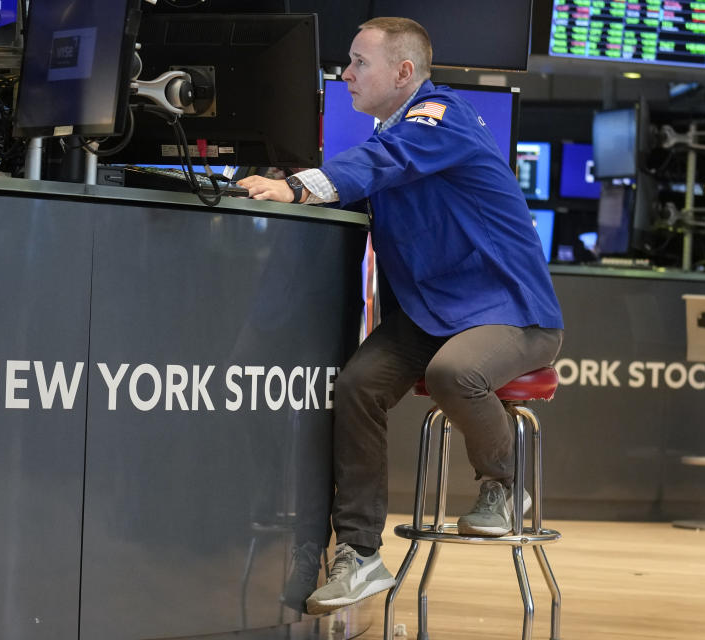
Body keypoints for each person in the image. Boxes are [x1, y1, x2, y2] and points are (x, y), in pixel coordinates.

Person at [238, 17, 563, 615]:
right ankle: (360, 555)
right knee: (359, 386)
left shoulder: (438, 120)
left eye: (360, 62)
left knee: (454, 374)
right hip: (429, 315)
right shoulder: (391, 137)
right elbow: (364, 177)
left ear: (404, 73)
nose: (346, 74)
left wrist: (300, 188)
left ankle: (504, 484)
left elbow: (378, 164)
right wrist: (282, 181)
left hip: (511, 312)